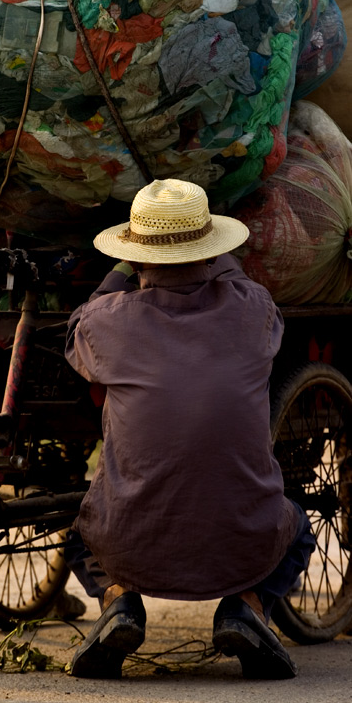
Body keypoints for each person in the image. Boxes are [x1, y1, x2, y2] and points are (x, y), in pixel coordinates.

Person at [64, 178, 315, 680]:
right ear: (212, 249)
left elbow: (75, 330)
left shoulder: (106, 322)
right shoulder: (253, 311)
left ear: (136, 258)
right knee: (300, 529)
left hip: (128, 544)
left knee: (76, 532)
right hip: (248, 542)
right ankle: (247, 605)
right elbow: (249, 290)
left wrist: (118, 273)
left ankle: (118, 600)